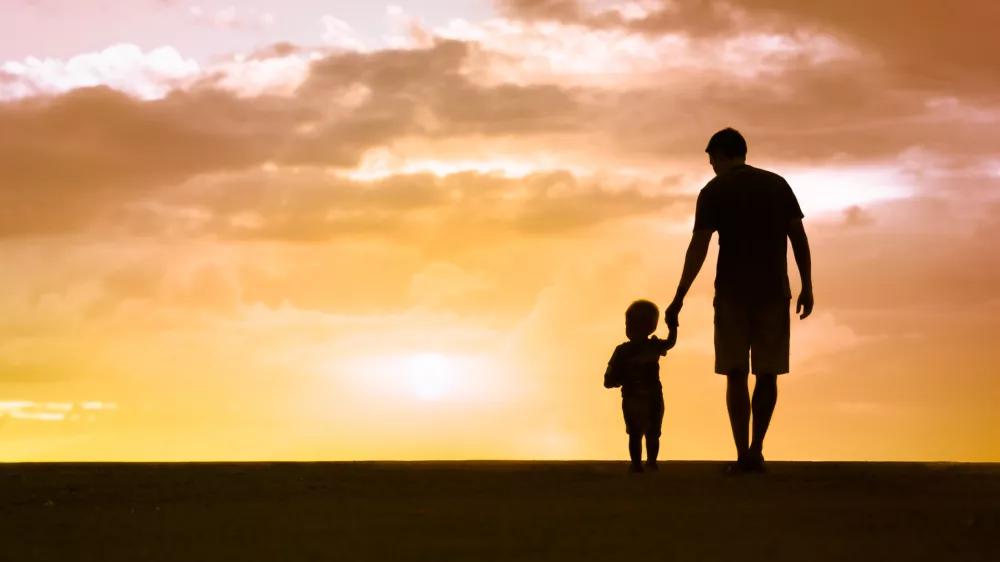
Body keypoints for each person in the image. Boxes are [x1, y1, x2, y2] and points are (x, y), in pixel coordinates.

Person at [664, 128, 814, 473]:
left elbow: (699, 246)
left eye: (712, 161)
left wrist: (679, 296)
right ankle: (757, 449)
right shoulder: (777, 185)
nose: (712, 167)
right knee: (767, 373)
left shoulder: (714, 190)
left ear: (719, 155)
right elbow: (798, 237)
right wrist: (807, 285)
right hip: (774, 291)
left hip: (732, 294)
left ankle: (742, 451)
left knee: (735, 374)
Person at [604, 299, 678, 473]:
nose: (629, 328)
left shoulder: (628, 350)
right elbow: (670, 342)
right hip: (644, 397)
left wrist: (673, 326)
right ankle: (644, 462)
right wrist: (673, 326)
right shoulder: (647, 347)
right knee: (642, 433)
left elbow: (609, 377)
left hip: (641, 397)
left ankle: (644, 463)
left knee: (643, 433)